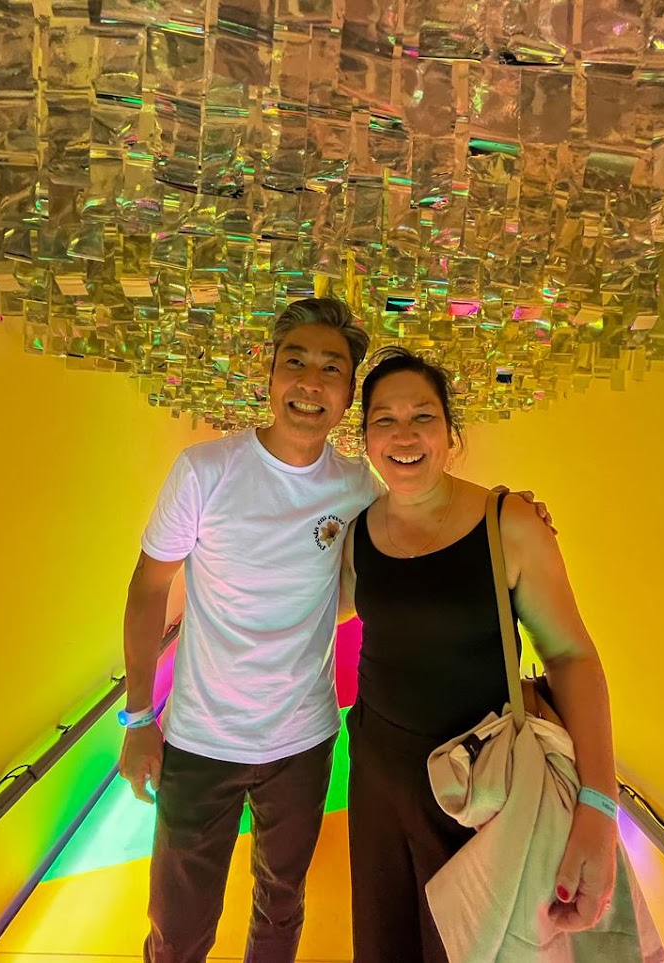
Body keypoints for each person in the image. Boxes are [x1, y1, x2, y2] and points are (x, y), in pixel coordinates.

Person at [119, 297, 551, 963]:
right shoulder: (205, 471)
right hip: (201, 740)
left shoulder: (357, 489)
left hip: (304, 740)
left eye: (332, 369)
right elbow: (149, 587)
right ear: (270, 373)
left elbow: (422, 518)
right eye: (296, 362)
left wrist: (509, 509)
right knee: (178, 924)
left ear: (348, 396)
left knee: (281, 904)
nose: (311, 382)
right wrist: (139, 717)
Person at [339, 347, 618, 963]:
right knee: (387, 945)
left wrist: (599, 807)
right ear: (365, 440)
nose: (404, 435)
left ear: (450, 433)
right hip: (380, 783)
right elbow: (306, 604)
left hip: (485, 785)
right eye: (384, 420)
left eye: (423, 416)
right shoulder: (357, 532)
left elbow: (571, 657)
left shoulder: (507, 523)